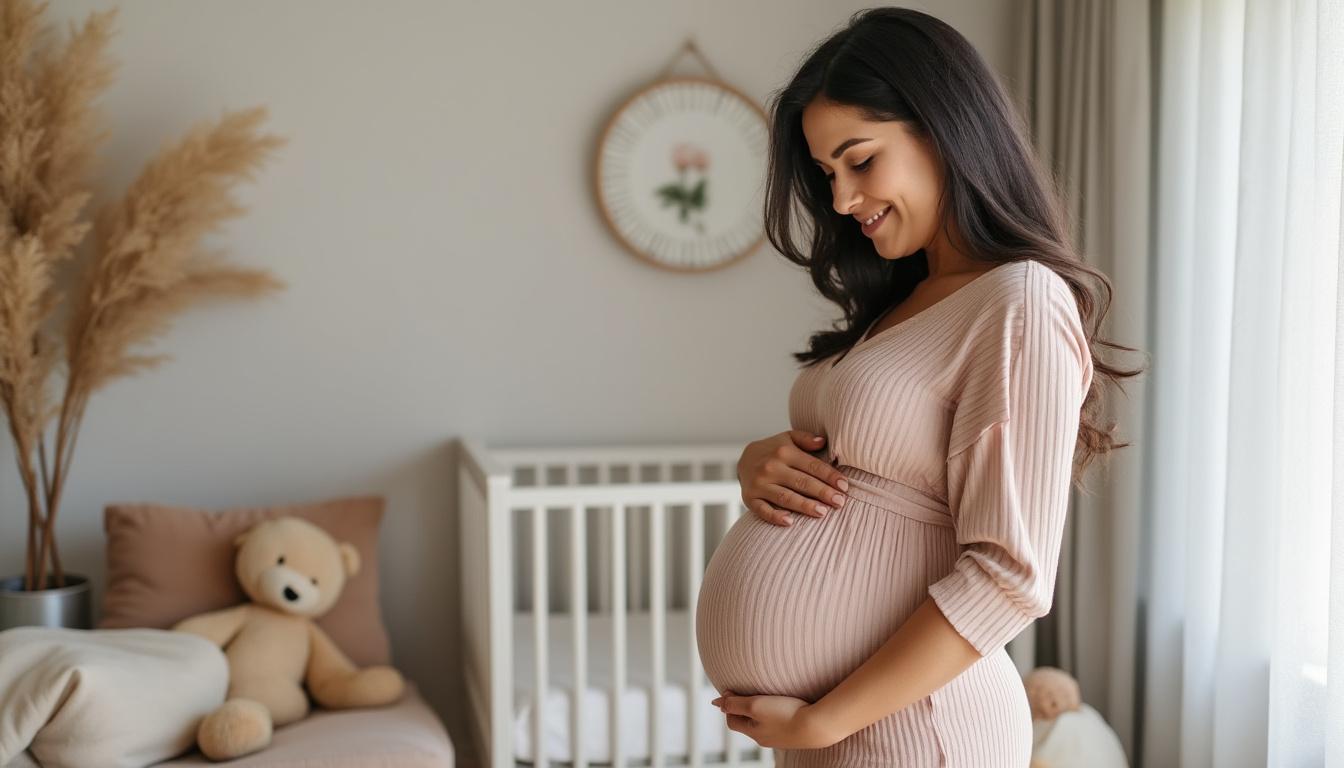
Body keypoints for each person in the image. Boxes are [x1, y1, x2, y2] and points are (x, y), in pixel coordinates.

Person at [693, 7, 1142, 766]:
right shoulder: (906, 300)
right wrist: (757, 464)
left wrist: (825, 721)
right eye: (827, 173)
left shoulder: (1021, 299)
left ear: (944, 130)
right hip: (839, 728)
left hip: (915, 730)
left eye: (860, 160)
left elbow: (1009, 578)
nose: (840, 200)